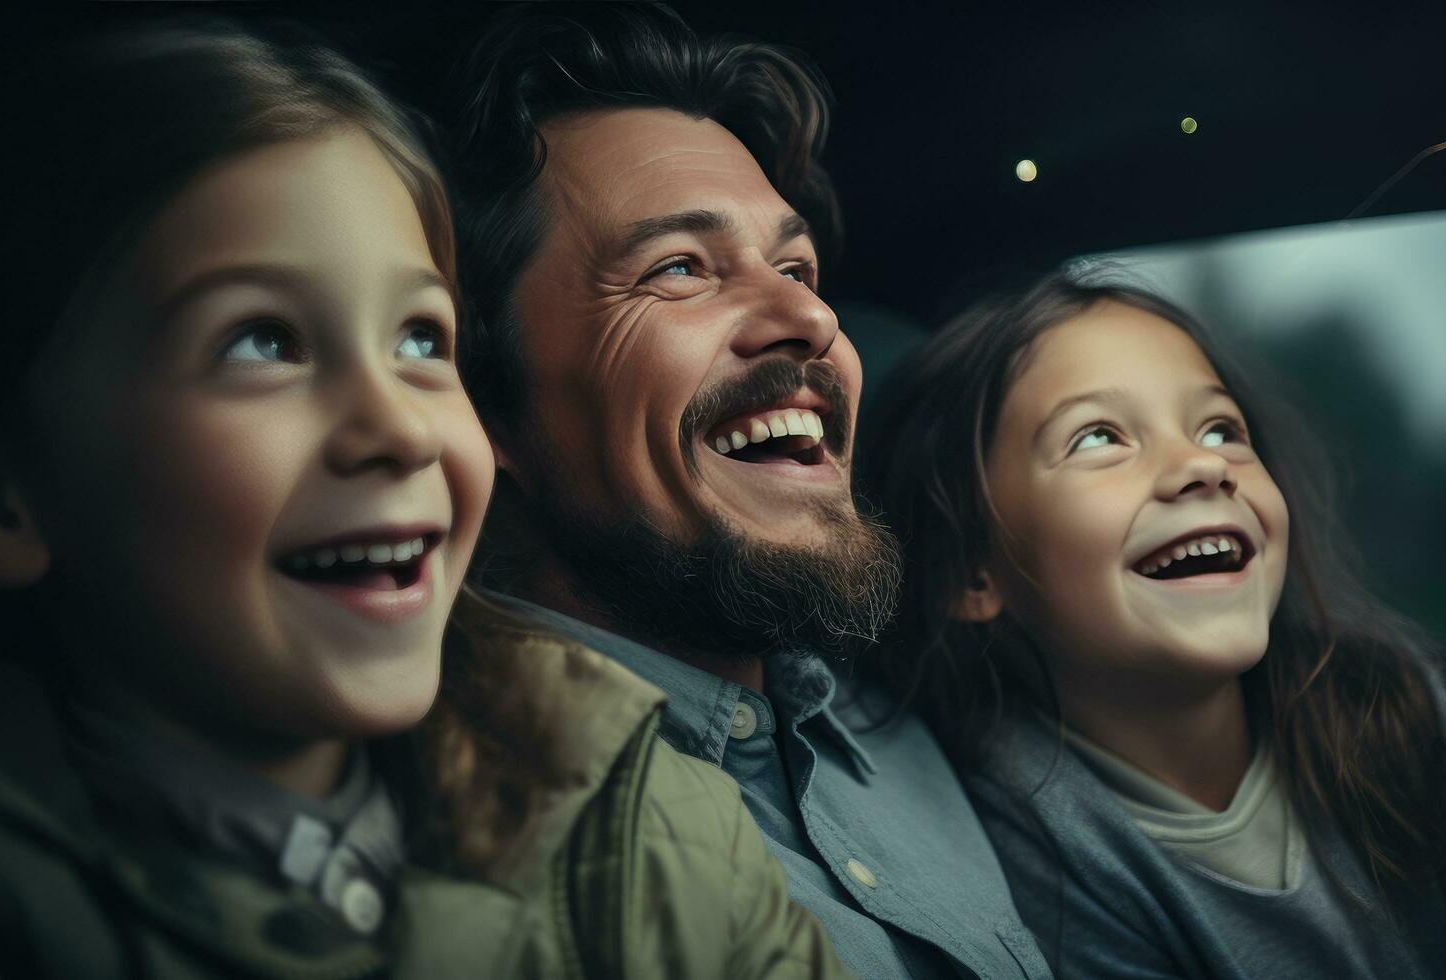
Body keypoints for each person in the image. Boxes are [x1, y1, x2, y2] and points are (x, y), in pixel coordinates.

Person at [0, 20, 845, 978]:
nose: (403, 426)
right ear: (2, 493)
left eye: (421, 342)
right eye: (259, 342)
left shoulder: (647, 816)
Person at [860, 268, 1446, 978]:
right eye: (1099, 437)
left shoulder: (1373, 702)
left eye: (1220, 430)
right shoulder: (1041, 848)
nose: (1199, 468)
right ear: (972, 573)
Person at [445, 7, 1050, 977]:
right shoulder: (465, 861)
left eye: (799, 266)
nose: (810, 316)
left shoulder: (913, 731)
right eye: (679, 267)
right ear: (483, 403)